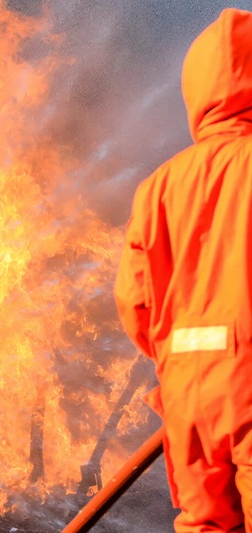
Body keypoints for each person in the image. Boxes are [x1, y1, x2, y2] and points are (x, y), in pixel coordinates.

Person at [114, 8, 252, 532]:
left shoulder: (158, 187)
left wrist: (183, 364)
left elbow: (136, 302)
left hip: (191, 402)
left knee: (207, 525)